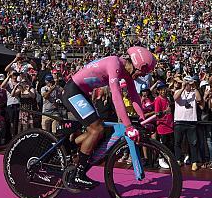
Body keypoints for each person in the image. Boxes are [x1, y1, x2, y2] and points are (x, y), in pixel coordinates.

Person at [60, 46, 155, 189]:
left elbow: (134, 96)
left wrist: (142, 118)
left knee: (99, 131)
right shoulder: (115, 65)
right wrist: (128, 126)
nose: (142, 76)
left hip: (82, 93)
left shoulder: (126, 72)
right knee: (96, 129)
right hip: (73, 90)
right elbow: (117, 97)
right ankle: (78, 176)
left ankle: (72, 149)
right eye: (143, 72)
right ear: (136, 64)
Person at [173, 75, 203, 171]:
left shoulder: (194, 92)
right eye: (186, 82)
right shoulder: (179, 91)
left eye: (188, 83)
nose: (187, 85)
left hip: (191, 121)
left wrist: (194, 87)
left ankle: (194, 162)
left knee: (193, 143)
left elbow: (199, 100)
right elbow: (175, 98)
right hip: (179, 120)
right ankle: (178, 159)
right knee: (178, 142)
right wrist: (182, 87)